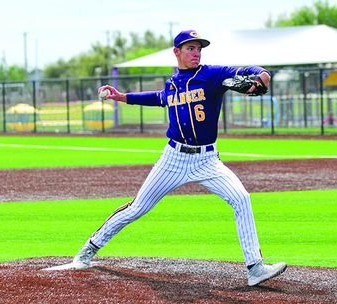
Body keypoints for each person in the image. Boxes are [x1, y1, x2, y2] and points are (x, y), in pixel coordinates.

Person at [69, 30, 286, 286]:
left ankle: (255, 268)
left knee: (241, 198)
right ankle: (90, 247)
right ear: (177, 52)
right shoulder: (172, 83)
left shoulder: (212, 74)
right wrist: (122, 97)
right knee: (137, 208)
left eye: (199, 48)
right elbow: (159, 99)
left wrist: (262, 75)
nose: (196, 53)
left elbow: (246, 71)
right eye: (190, 48)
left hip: (208, 160)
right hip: (174, 159)